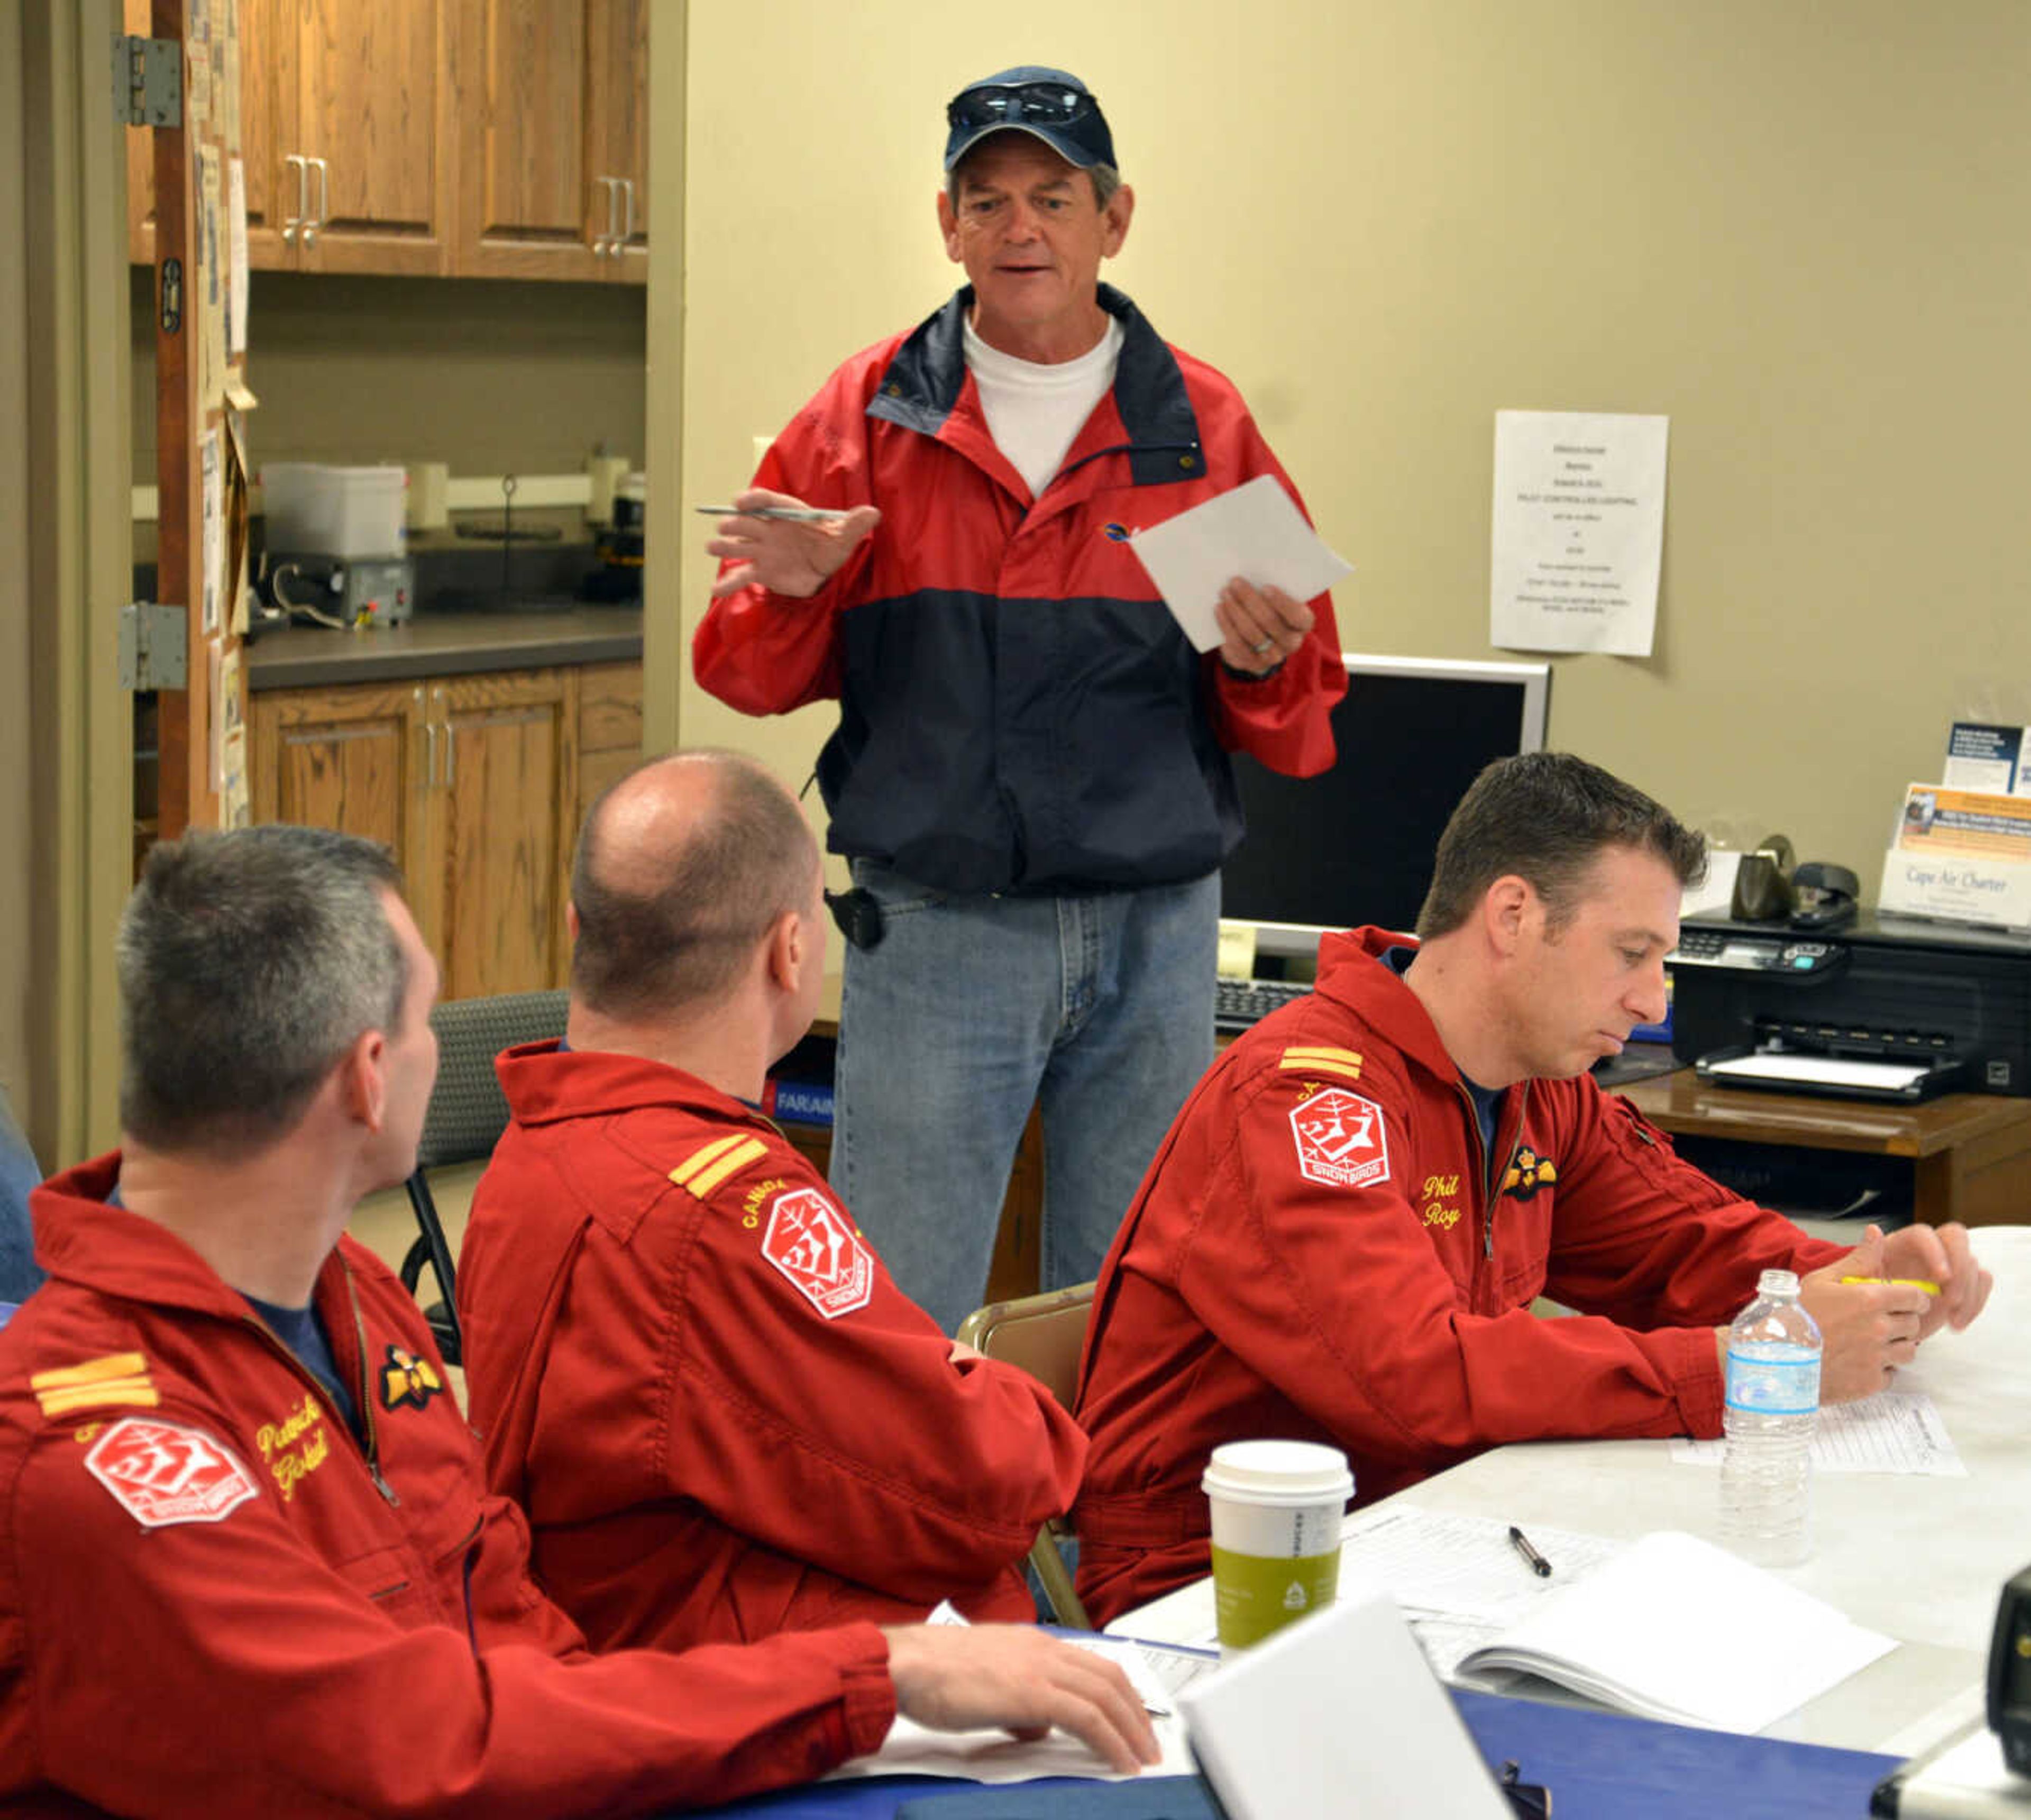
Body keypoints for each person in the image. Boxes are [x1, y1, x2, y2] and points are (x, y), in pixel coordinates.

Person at [0, 825, 1155, 1815]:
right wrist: (867, 1676)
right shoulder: (100, 1453)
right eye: (423, 1022)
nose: (429, 1051)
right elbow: (410, 1739)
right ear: (365, 1078)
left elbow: (505, 1619)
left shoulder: (355, 1300)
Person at [694, 67, 1347, 1333]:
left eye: (1051, 196)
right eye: (986, 201)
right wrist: (791, 594)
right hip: (939, 930)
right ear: (947, 226)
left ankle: (1106, 1544)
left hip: (1160, 935)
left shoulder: (1201, 424)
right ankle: (918, 1541)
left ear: (1116, 216)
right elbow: (746, 674)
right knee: (900, 1314)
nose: (1019, 228)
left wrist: (1263, 662)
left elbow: (1305, 722)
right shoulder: (868, 412)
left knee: (1131, 1309)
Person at [1071, 753, 1993, 1624]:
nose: (1656, 1002)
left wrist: (1853, 1279)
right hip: (1223, 1584)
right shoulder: (1307, 1099)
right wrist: (1748, 1367)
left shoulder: (1535, 1087)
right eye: (1631, 952)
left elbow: (1684, 1245)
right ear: (1512, 915)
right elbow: (1418, 1380)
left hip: (1438, 1528)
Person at [458, 750, 1088, 1652]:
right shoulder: (722, 1208)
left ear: (577, 929)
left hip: (614, 1654)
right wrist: (1025, 1413)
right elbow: (985, 1485)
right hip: (772, 1703)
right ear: (789, 950)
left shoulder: (531, 1150)